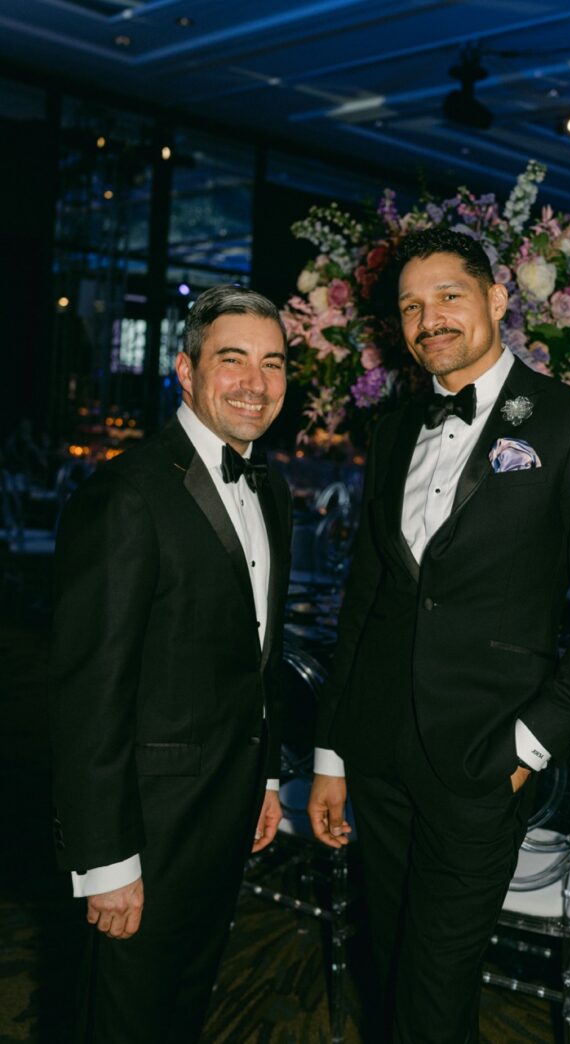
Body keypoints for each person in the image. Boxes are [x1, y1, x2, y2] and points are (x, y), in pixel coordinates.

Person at [307, 228, 570, 1043]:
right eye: (411, 308)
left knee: (431, 993)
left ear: (499, 300)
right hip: (381, 753)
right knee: (389, 966)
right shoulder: (393, 427)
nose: (430, 320)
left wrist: (528, 746)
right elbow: (368, 601)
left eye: (449, 298)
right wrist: (332, 754)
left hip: (485, 761)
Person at [50, 286, 292, 1043]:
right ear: (185, 371)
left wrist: (268, 777)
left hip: (227, 811)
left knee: (184, 1007)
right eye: (232, 359)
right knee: (120, 1021)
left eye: (273, 363)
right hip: (144, 831)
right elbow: (89, 693)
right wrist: (106, 860)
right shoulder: (126, 494)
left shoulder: (273, 486)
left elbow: (259, 654)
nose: (256, 382)